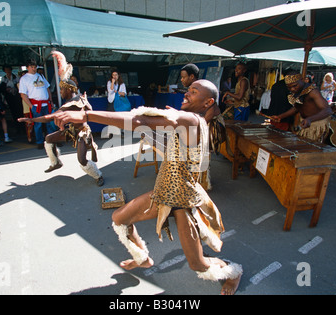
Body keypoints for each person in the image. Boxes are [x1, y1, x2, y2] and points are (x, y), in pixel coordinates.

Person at [45, 79, 243, 295]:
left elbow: (140, 119)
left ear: (208, 102)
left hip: (182, 201)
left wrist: (87, 116)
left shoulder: (192, 120)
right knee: (119, 219)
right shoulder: (189, 120)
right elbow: (168, 144)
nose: (186, 93)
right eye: (188, 89)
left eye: (194, 92)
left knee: (198, 265)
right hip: (163, 193)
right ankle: (143, 258)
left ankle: (233, 273)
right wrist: (155, 129)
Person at [18, 79, 104, 186]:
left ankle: (98, 175)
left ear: (68, 89)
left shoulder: (74, 102)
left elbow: (50, 117)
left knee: (82, 160)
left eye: (61, 89)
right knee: (49, 138)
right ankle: (56, 162)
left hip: (82, 133)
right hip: (72, 130)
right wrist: (85, 101)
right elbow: (90, 109)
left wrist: (32, 120)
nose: (60, 92)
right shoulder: (78, 99)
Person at [271, 72, 333, 143]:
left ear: (302, 80)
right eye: (289, 87)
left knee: (311, 149)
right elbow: (296, 108)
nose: (292, 89)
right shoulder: (298, 92)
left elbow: (328, 110)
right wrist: (280, 116)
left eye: (295, 86)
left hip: (316, 123)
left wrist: (310, 119)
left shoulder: (313, 91)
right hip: (306, 122)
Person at [19, 59, 56, 149]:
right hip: (36, 105)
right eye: (32, 67)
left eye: (35, 67)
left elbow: (47, 88)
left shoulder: (40, 76)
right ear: (27, 67)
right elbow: (23, 94)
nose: (34, 69)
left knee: (49, 123)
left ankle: (52, 141)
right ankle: (40, 142)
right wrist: (31, 106)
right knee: (38, 125)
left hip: (46, 104)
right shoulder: (24, 79)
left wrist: (50, 101)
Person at [0, 66, 23, 133]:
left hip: (17, 97)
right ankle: (17, 127)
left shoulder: (16, 77)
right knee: (13, 113)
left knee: (19, 112)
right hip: (9, 98)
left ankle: (22, 127)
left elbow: (19, 86)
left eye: (9, 69)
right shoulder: (3, 78)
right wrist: (6, 89)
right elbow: (2, 88)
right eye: (6, 69)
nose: (8, 71)